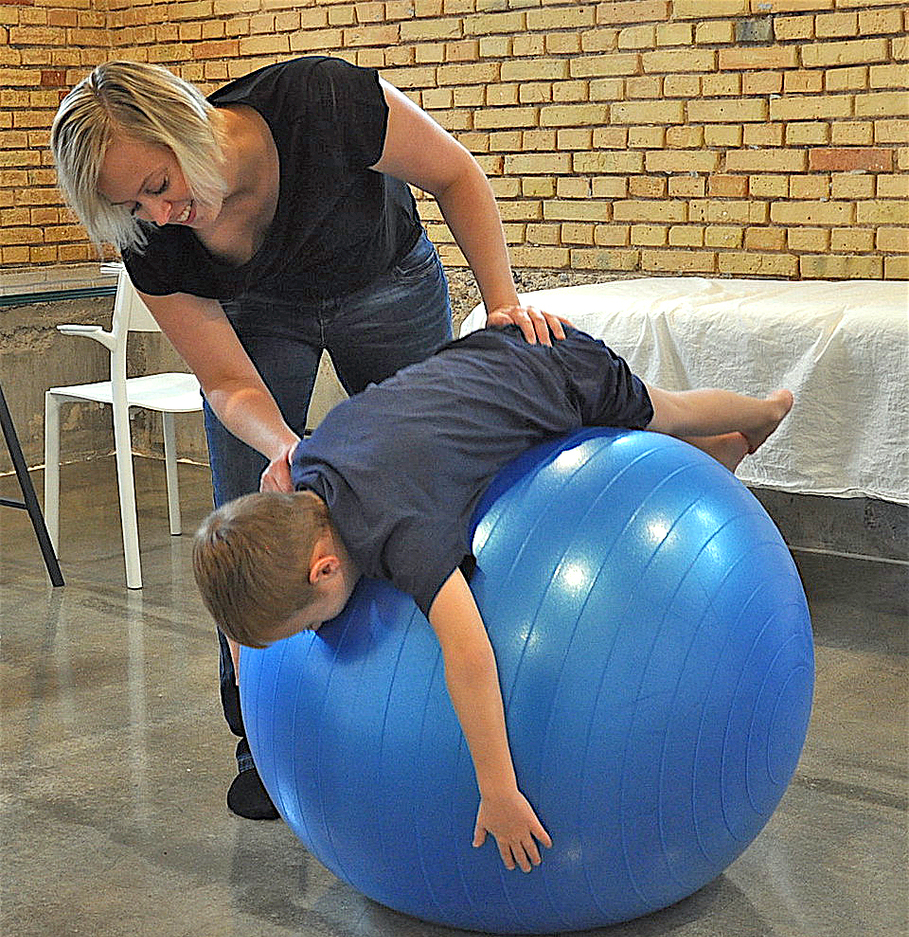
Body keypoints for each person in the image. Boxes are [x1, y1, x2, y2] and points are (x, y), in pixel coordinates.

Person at [50, 57, 566, 820]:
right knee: (247, 525)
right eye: (131, 205)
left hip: (386, 282)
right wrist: (284, 445)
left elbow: (454, 174)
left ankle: (490, 689)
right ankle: (262, 741)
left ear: (186, 127)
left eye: (159, 185)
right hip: (260, 316)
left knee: (452, 475)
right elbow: (228, 385)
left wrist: (499, 303)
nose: (157, 216)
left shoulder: (320, 101)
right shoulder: (151, 237)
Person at [192, 321, 794, 873]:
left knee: (664, 412)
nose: (311, 641)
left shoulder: (402, 531)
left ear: (325, 570)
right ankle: (720, 453)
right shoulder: (305, 473)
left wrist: (499, 789)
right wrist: (245, 651)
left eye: (301, 629)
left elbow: (471, 655)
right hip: (478, 367)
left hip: (555, 374)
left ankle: (762, 412)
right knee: (668, 422)